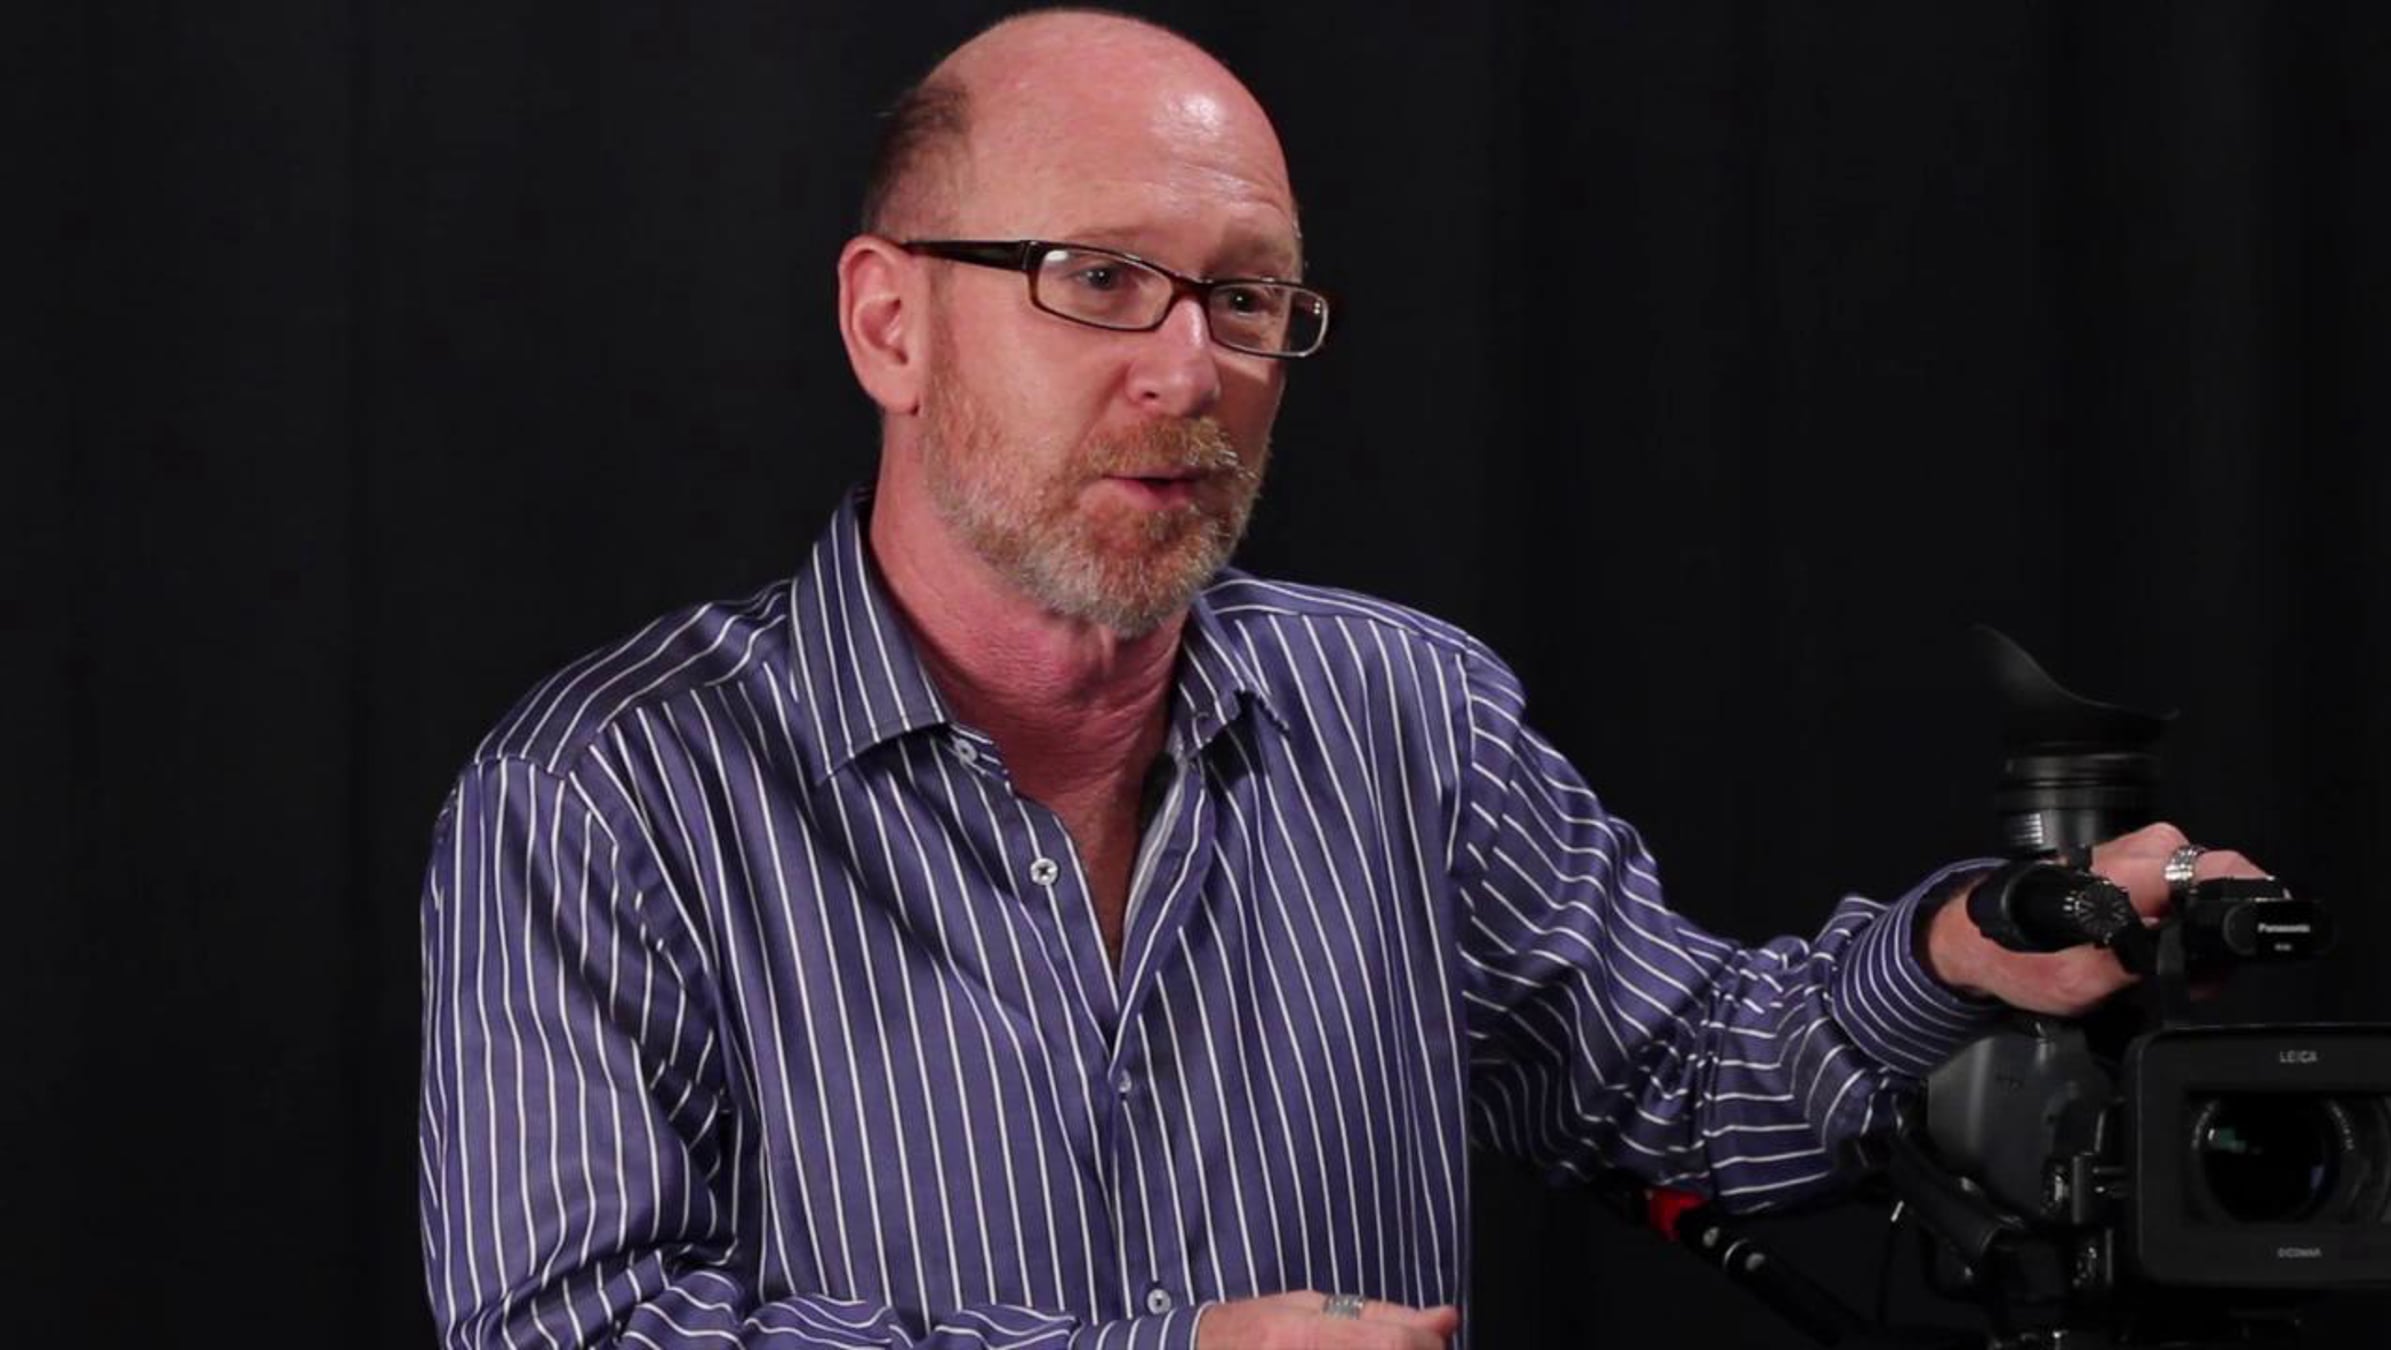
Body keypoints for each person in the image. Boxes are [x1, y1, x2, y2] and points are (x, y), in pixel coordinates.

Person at [415, 10, 2268, 1349]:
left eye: (1245, 298)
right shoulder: (606, 796)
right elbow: (573, 1327)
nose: (1188, 371)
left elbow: (1680, 1077)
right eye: (1099, 279)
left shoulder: (1404, 716)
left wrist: (1959, 956)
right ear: (890, 323)